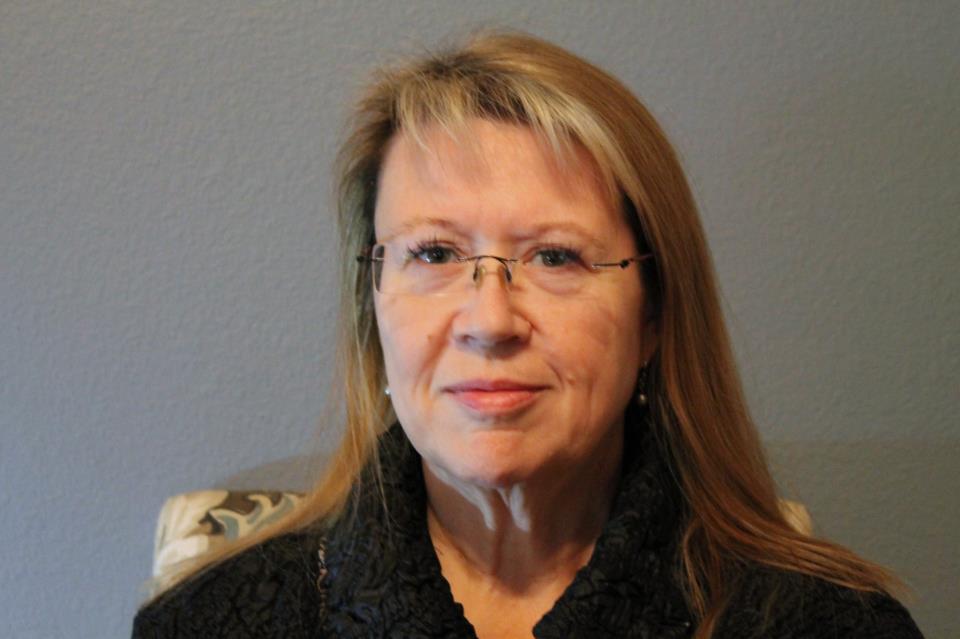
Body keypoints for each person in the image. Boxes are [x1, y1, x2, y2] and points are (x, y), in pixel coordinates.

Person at [132, 31, 923, 639]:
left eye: (555, 256)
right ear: (373, 302)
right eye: (434, 253)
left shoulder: (830, 624)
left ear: (652, 315)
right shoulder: (209, 622)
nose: (490, 322)